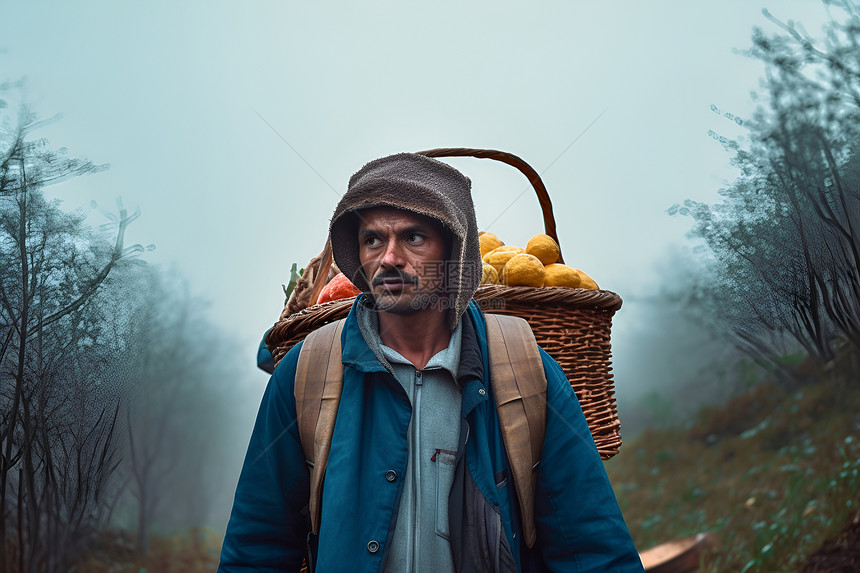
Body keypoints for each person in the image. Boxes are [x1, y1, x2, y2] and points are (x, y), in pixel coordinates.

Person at [218, 153, 644, 572]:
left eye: (413, 238)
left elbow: (591, 547)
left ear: (454, 251)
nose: (389, 258)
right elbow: (257, 546)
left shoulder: (524, 371)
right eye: (373, 240)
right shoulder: (306, 374)